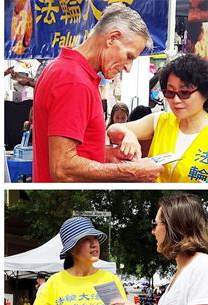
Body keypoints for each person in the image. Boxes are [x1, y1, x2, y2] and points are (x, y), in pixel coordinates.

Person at [32, 4, 164, 182]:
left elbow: (74, 154)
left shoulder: (63, 69)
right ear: (112, 38)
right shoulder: (74, 80)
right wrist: (130, 172)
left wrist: (108, 156)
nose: (128, 67)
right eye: (130, 56)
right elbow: (62, 168)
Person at [107, 54, 208, 182]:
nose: (175, 100)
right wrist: (128, 134)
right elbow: (113, 129)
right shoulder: (160, 121)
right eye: (170, 92)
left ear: (205, 92)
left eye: (184, 93)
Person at [25, 217, 135, 305]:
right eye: (86, 239)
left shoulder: (110, 280)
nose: (94, 243)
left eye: (94, 238)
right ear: (71, 248)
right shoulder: (54, 283)